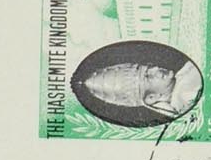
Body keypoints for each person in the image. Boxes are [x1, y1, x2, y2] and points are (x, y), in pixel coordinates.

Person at [71, 49, 201, 126]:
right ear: (151, 98)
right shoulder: (188, 94)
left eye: (149, 67)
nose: (156, 68)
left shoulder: (185, 73)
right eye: (148, 76)